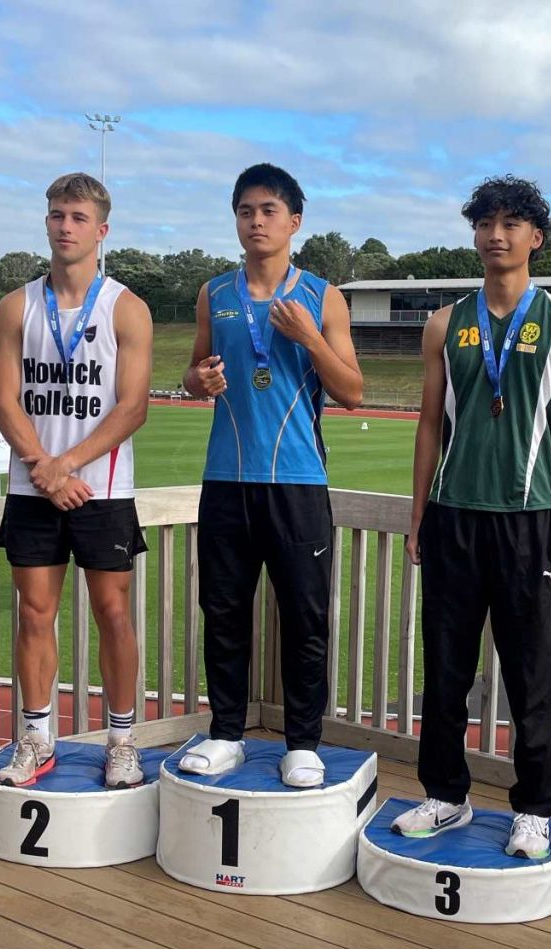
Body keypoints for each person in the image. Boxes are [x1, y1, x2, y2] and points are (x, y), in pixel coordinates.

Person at [391, 175, 551, 858]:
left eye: (509, 224)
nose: (495, 235)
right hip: (452, 518)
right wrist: (418, 516)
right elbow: (428, 426)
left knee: (531, 677)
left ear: (536, 237)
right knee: (446, 672)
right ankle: (446, 796)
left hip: (528, 521)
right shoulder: (445, 323)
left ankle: (533, 808)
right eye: (484, 223)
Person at [180, 163, 362, 787]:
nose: (256, 222)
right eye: (245, 211)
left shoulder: (322, 296)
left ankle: (303, 744)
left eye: (268, 211)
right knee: (223, 612)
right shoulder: (214, 294)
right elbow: (192, 374)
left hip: (298, 482)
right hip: (226, 479)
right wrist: (198, 381)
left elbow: (352, 392)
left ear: (294, 222)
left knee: (305, 618)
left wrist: (311, 338)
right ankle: (226, 733)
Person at [0, 172, 153, 788]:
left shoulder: (126, 307)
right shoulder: (17, 305)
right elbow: (3, 400)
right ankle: (37, 738)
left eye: (79, 217)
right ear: (46, 221)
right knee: (34, 613)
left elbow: (132, 407)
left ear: (101, 230)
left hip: (102, 490)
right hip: (34, 488)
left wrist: (67, 464)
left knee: (113, 614)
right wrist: (46, 468)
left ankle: (122, 740)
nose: (66, 226)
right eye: (57, 215)